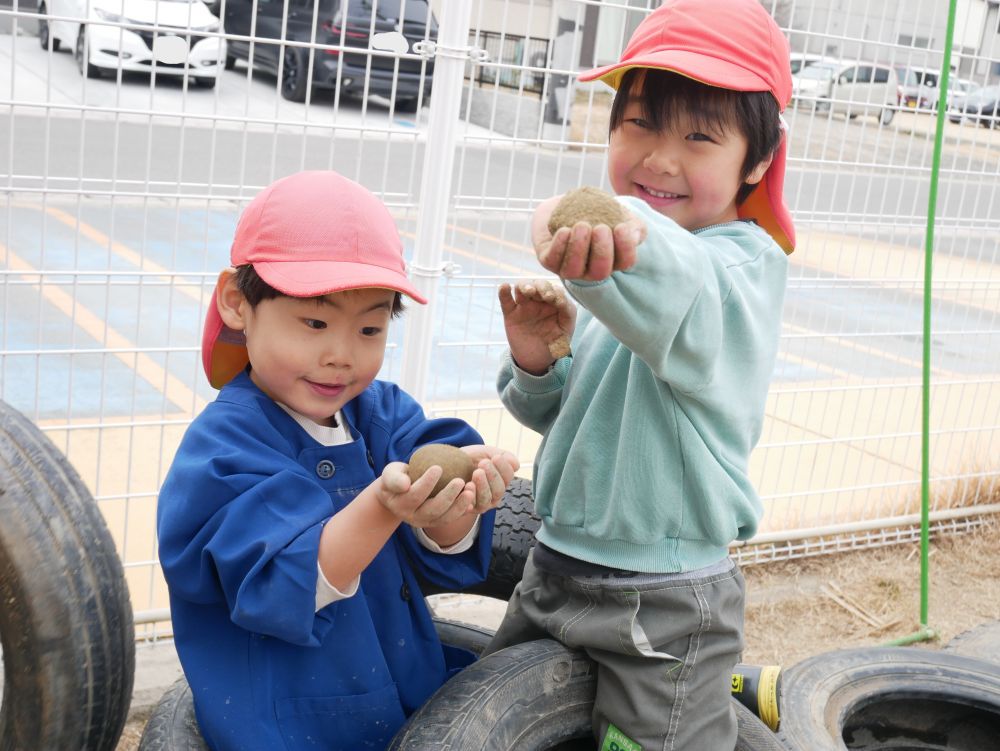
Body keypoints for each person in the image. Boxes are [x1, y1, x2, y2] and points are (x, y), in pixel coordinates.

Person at [485, 1, 795, 749]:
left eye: (698, 135)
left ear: (756, 162)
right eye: (641, 123)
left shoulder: (739, 271)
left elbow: (678, 282)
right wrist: (540, 361)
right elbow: (572, 414)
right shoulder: (621, 269)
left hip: (663, 602)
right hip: (554, 565)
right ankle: (728, 690)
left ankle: (718, 692)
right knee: (480, 716)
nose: (659, 157)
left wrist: (584, 220)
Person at [157, 170, 519, 751]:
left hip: (404, 696)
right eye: (315, 322)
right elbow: (285, 584)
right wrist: (381, 505)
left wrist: (458, 500)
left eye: (370, 328)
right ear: (237, 303)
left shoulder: (382, 415)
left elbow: (439, 548)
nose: (341, 356)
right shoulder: (223, 452)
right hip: (291, 723)